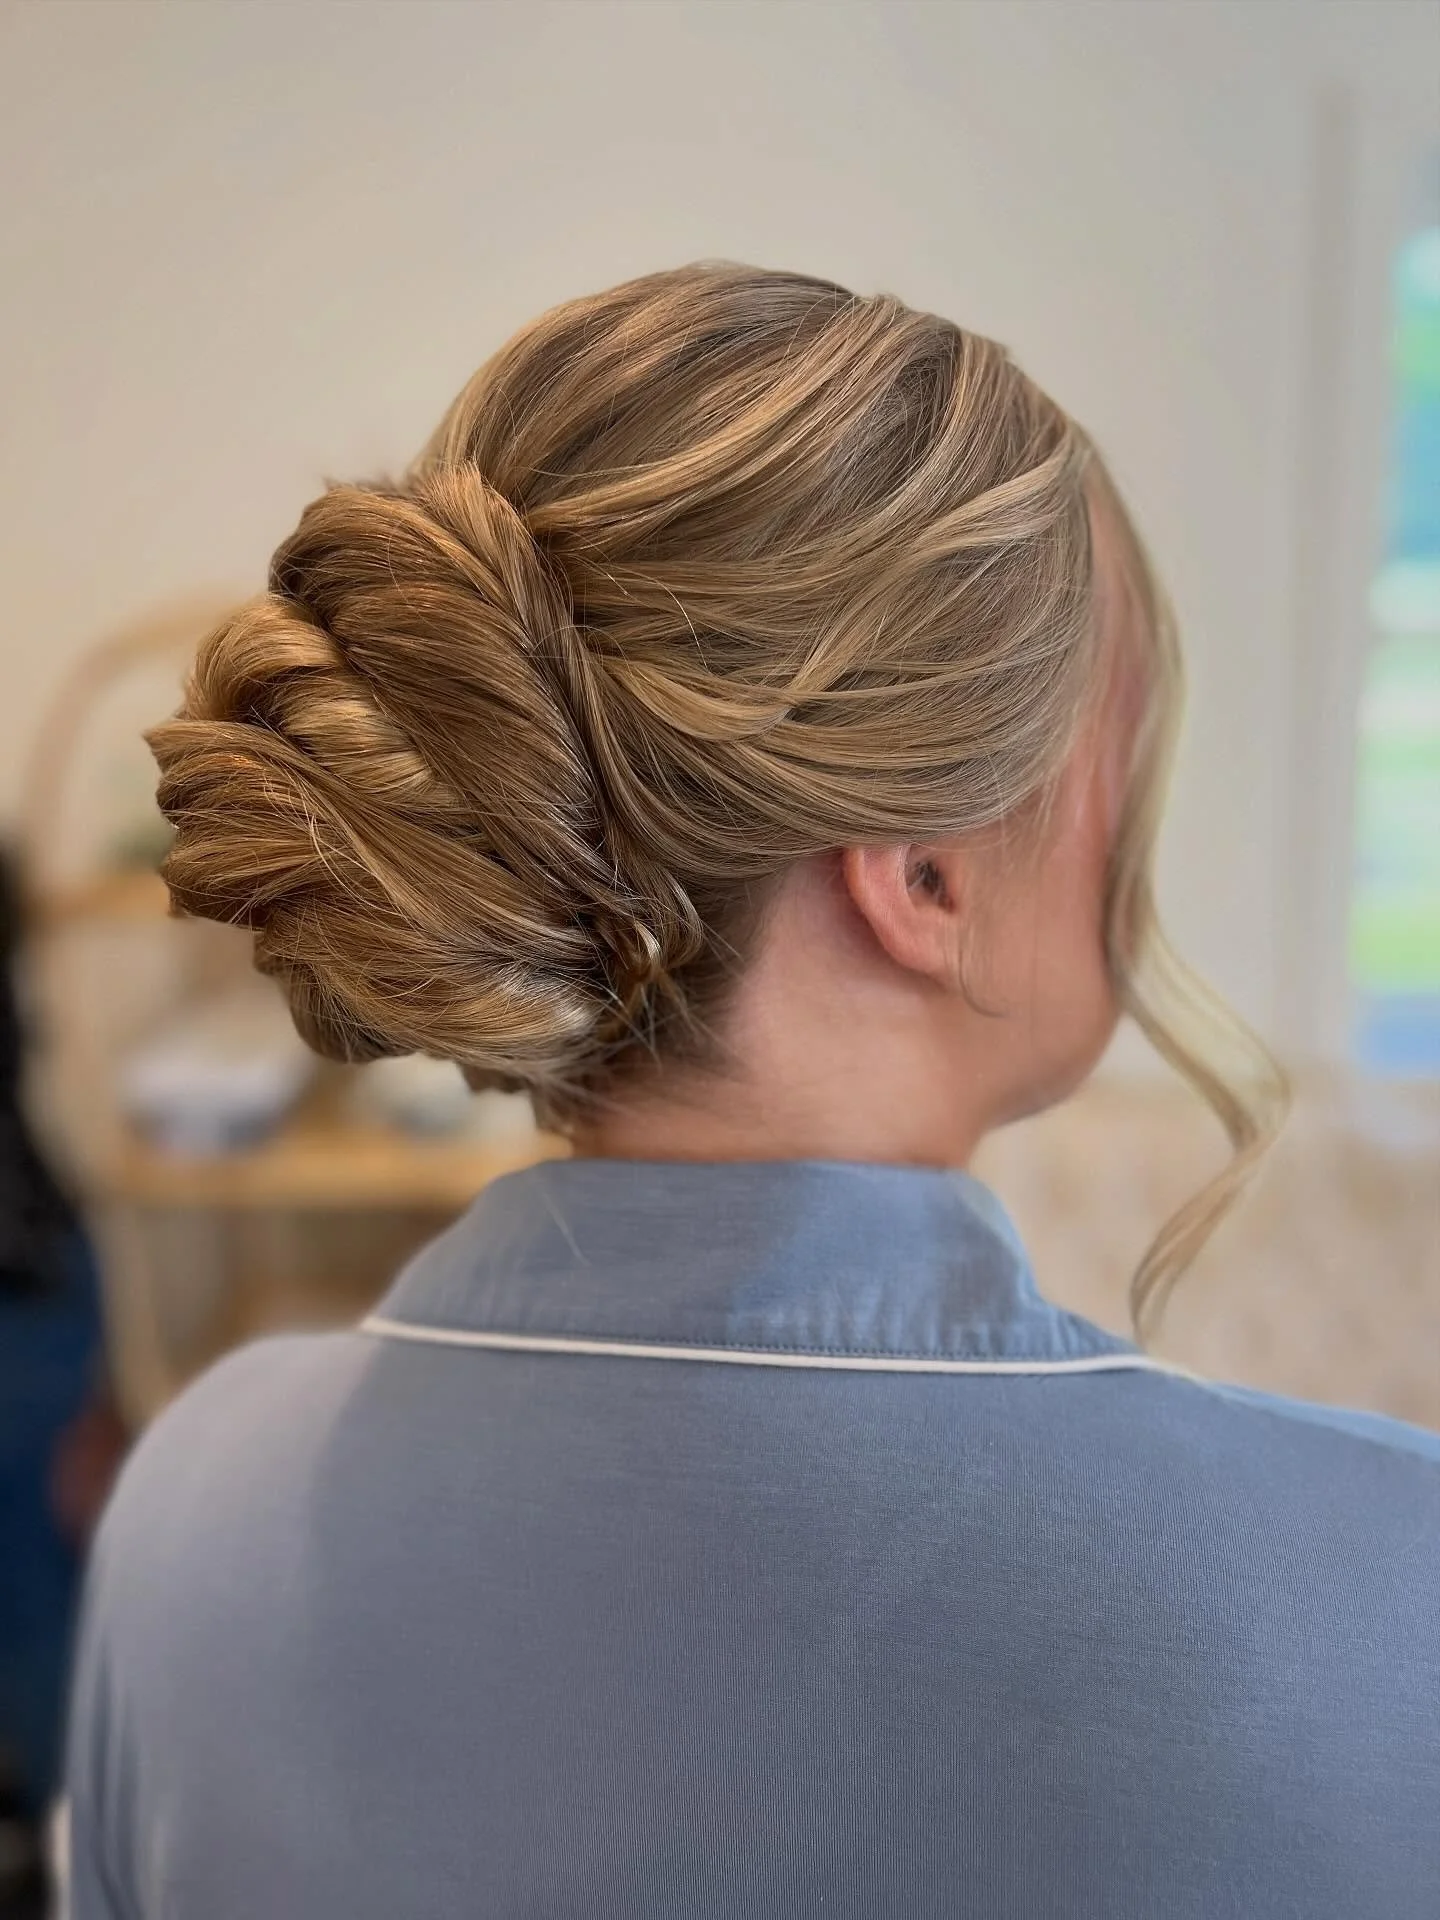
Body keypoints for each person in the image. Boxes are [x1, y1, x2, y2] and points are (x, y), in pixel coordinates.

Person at [66, 266, 1438, 1919]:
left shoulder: (195, 1515)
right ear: (923, 873)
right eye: (1114, 755)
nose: (1136, 840)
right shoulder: (1382, 1584)